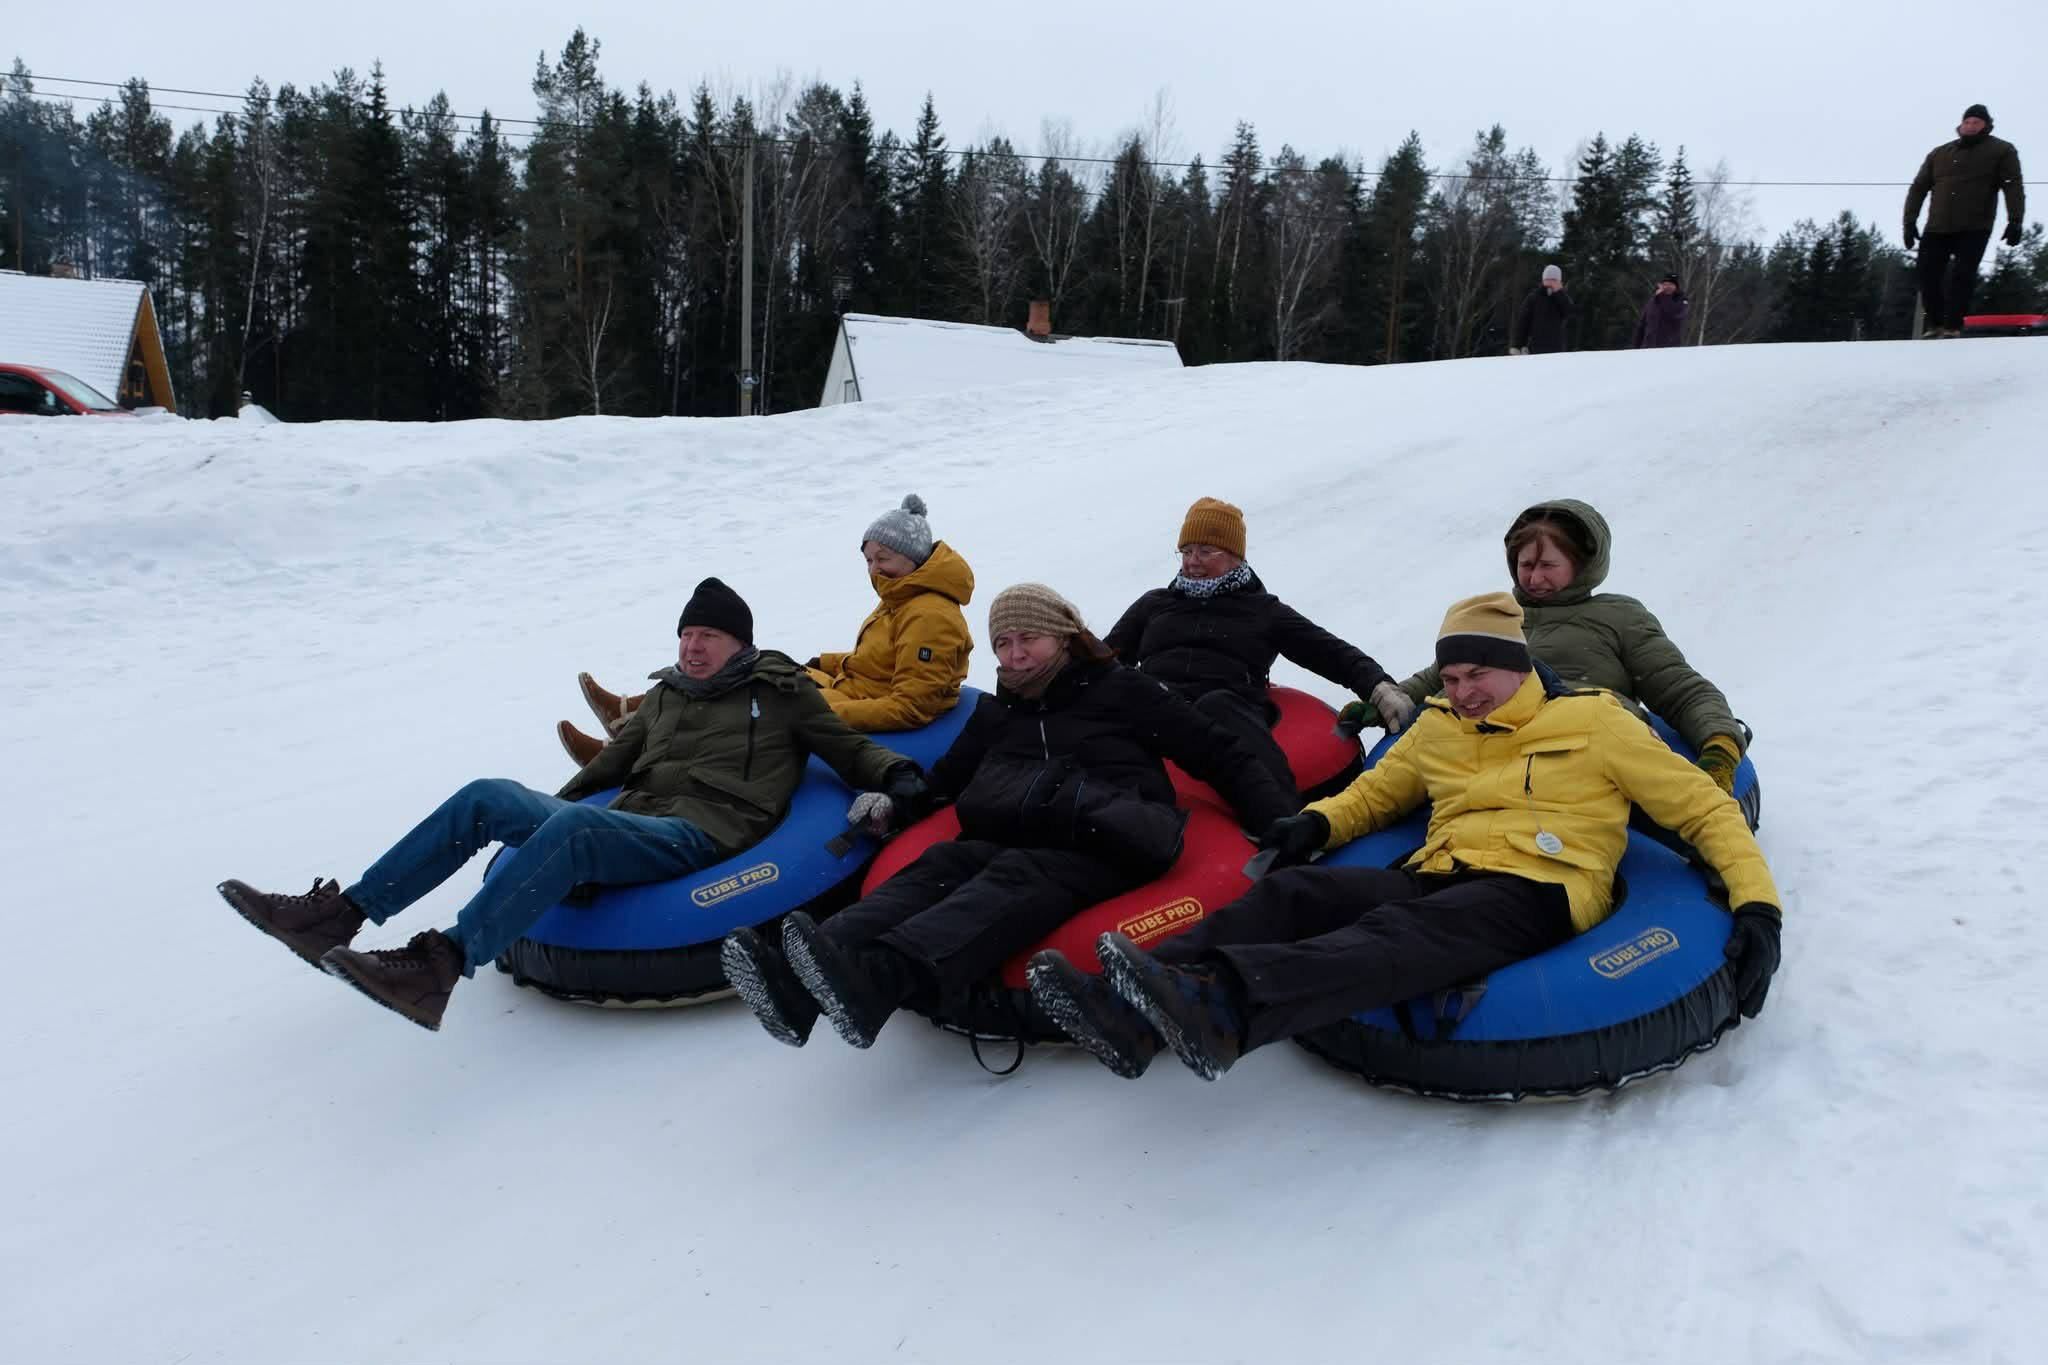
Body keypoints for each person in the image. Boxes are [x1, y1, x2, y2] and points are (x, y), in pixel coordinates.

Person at [1027, 592, 1783, 1081]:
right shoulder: (1439, 729)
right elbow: (1375, 796)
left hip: (1542, 889)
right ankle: (1125, 1007)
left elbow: (1702, 811)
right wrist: (1312, 822)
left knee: (1402, 930)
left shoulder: (1594, 722)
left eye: (1479, 674)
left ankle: (1221, 1006)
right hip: (1440, 869)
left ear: (1518, 666)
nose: (1462, 691)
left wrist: (1758, 908)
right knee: (1298, 891)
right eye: (1451, 678)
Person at [218, 578, 924, 1032]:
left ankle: (440, 968)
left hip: (700, 835)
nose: (692, 646)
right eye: (685, 634)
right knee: (487, 794)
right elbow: (606, 771)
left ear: (740, 640)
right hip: (634, 818)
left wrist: (902, 780)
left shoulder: (781, 692)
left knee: (582, 828)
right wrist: (538, 826)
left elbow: (849, 747)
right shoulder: (670, 695)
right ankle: (338, 915)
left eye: (707, 635)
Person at [721, 582, 1300, 1051]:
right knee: (940, 864)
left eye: (1030, 640)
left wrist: (1280, 823)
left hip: (1106, 837)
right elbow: (947, 777)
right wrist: (896, 804)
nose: (1015, 655)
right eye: (1004, 644)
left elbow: (1217, 751)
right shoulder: (1002, 708)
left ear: (1066, 639)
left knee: (1015, 879)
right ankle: (803, 977)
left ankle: (881, 980)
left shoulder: (1124, 691)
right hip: (1013, 827)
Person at [561, 494, 973, 761]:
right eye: (868, 560)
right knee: (744, 664)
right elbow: (879, 660)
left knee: (740, 700)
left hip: (856, 707)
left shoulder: (930, 615)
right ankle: (629, 715)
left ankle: (622, 754)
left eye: (883, 558)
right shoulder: (902, 598)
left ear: (913, 556)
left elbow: (912, 705)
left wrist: (829, 715)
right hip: (849, 690)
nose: (873, 569)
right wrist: (824, 661)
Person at [1395, 499, 1746, 791]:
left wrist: (1720, 744)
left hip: (1579, 743)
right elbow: (1441, 677)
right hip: (1479, 744)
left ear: (1581, 565)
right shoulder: (1496, 614)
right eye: (1526, 565)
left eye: (1548, 565)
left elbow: (1679, 687)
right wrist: (1393, 697)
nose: (1534, 578)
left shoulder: (1619, 616)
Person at [1102, 496, 1408, 795]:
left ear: (1236, 556)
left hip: (1227, 716)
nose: (1193, 562)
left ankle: (1283, 818)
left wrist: (1379, 687)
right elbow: (1102, 660)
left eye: (1206, 551)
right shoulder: (1154, 604)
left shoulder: (1261, 611)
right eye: (1186, 551)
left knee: (1217, 703)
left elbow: (1331, 653)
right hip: (1161, 711)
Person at [1904, 104, 2026, 339]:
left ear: (1986, 126)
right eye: (1967, 122)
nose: (1971, 126)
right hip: (1937, 225)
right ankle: (1935, 325)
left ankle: (1952, 326)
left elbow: (2013, 186)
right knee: (1927, 274)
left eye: (1976, 122)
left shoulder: (2001, 150)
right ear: (1960, 125)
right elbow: (1918, 188)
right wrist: (1909, 222)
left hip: (1975, 226)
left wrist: (2015, 220)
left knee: (1963, 276)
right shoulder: (1940, 153)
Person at [1509, 265, 1574, 355]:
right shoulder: (1533, 298)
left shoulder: (1562, 298)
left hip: (1557, 348)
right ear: (1543, 280)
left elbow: (1569, 312)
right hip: (1535, 347)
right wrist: (1517, 345)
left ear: (1559, 282)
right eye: (1548, 279)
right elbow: (1523, 323)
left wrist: (1559, 292)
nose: (1550, 282)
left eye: (1554, 280)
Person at [1634, 273, 1688, 348]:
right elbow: (1643, 325)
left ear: (1676, 286)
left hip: (1669, 347)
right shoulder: (1652, 301)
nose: (1667, 287)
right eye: (1664, 284)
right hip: (1648, 347)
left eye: (1670, 284)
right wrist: (1636, 346)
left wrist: (1662, 296)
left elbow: (1675, 314)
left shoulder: (1681, 300)